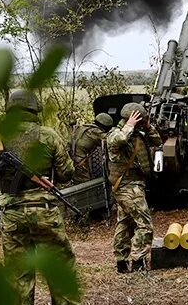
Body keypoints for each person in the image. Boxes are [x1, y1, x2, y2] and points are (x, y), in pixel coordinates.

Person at [0, 89, 84, 305]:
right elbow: (66, 173)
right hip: (44, 213)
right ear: (34, 110)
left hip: (12, 216)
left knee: (18, 276)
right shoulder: (48, 136)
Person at [106, 102, 162, 273]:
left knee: (125, 224)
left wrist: (147, 125)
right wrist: (129, 126)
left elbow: (157, 141)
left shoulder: (138, 134)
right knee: (145, 225)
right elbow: (118, 141)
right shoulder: (116, 133)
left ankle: (121, 263)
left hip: (133, 185)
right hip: (126, 187)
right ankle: (138, 261)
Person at [69, 113, 114, 183]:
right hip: (79, 161)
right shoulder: (95, 132)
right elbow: (112, 140)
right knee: (84, 184)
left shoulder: (84, 127)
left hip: (71, 159)